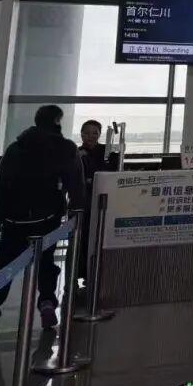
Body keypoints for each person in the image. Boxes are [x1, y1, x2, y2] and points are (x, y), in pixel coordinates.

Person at [0, 105, 85, 333]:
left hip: (14, 220)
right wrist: (76, 211)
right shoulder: (65, 148)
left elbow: (2, 183)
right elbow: (75, 184)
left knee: (4, 265)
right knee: (46, 263)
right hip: (47, 219)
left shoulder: (16, 147)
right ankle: (47, 302)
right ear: (57, 121)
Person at [77, 119, 115, 284]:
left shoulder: (108, 153)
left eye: (95, 133)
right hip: (84, 204)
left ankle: (98, 274)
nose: (91, 136)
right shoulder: (76, 153)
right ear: (81, 134)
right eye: (87, 133)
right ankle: (82, 273)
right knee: (83, 239)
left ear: (100, 134)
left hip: (104, 203)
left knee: (100, 238)